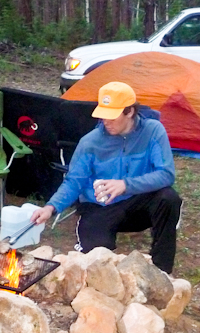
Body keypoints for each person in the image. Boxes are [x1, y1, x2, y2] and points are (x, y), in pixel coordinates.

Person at [30, 82, 182, 274]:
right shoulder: (91, 142)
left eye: (111, 116)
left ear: (130, 112)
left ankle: (162, 272)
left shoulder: (152, 131)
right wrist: (50, 207)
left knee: (168, 199)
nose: (105, 121)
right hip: (100, 207)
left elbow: (166, 174)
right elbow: (73, 182)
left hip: (138, 204)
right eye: (103, 115)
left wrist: (126, 185)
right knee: (95, 261)